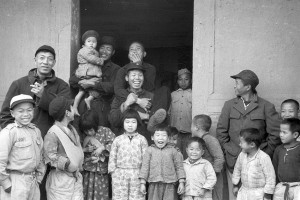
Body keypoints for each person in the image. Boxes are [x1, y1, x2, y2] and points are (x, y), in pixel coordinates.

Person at [216, 69, 281, 200]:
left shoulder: (266, 106)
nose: (235, 86)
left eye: (237, 83)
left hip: (257, 165)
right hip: (233, 160)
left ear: (248, 87)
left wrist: (262, 154)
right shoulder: (229, 105)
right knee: (234, 195)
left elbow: (275, 135)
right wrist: (230, 151)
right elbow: (221, 132)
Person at [0, 45, 70, 137]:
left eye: (50, 59)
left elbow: (64, 113)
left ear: (54, 62)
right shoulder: (18, 84)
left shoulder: (62, 86)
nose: (45, 62)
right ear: (35, 60)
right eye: (42, 58)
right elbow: (5, 115)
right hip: (22, 142)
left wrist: (43, 96)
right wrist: (16, 136)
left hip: (51, 140)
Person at [0, 94, 46, 200]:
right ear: (12, 113)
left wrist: (39, 178)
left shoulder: (36, 131)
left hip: (33, 181)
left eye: (29, 110)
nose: (26, 114)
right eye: (20, 111)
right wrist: (6, 183)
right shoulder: (9, 133)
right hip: (15, 181)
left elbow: (42, 157)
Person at [109, 63, 168, 143]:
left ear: (143, 78)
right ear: (127, 78)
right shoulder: (119, 97)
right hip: (124, 143)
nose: (137, 78)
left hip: (145, 142)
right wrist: (126, 104)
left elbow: (161, 120)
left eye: (140, 75)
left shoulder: (151, 96)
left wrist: (146, 116)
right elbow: (113, 121)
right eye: (133, 75)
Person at [69, 36, 120, 127]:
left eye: (108, 49)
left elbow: (113, 87)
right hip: (83, 108)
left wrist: (93, 84)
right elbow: (72, 80)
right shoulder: (86, 64)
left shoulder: (116, 69)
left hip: (102, 109)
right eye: (102, 48)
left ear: (113, 52)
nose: (104, 51)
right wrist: (84, 82)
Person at [44, 96, 84, 200]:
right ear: (67, 112)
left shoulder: (71, 129)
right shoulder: (52, 133)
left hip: (75, 178)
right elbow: (49, 156)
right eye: (71, 107)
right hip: (61, 181)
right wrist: (67, 164)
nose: (73, 109)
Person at [108, 109, 148, 200]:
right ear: (123, 123)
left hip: (137, 175)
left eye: (133, 122)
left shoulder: (142, 140)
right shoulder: (118, 139)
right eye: (127, 122)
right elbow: (112, 158)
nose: (130, 125)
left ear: (138, 123)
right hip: (120, 175)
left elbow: (146, 161)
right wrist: (114, 174)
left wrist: (143, 179)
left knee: (137, 198)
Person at [139, 124, 186, 200]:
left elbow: (179, 167)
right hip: (153, 183)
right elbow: (145, 167)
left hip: (170, 184)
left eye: (164, 135)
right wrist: (142, 183)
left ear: (168, 138)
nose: (160, 138)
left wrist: (181, 182)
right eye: (157, 135)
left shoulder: (173, 151)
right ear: (152, 137)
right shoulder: (149, 150)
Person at [79, 110, 115, 200]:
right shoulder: (82, 136)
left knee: (101, 193)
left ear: (95, 124)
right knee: (86, 193)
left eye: (91, 130)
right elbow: (76, 150)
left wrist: (102, 148)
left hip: (101, 170)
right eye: (86, 131)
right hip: (88, 170)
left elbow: (115, 144)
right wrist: (85, 150)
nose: (89, 133)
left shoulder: (105, 131)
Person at [232, 128, 276, 200]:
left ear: (252, 144)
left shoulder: (264, 158)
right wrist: (235, 185)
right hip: (244, 192)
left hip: (258, 194)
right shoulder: (241, 155)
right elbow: (237, 169)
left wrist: (267, 195)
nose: (239, 144)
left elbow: (270, 177)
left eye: (241, 142)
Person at [191, 114, 225, 200]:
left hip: (213, 177)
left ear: (196, 127)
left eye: (191, 125)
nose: (190, 128)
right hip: (204, 177)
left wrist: (213, 174)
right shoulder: (200, 140)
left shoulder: (209, 139)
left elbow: (219, 158)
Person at [73, 30, 104, 115]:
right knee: (95, 86)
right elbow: (91, 58)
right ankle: (76, 106)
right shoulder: (84, 50)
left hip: (89, 74)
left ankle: (86, 100)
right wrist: (100, 61)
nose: (91, 43)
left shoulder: (93, 51)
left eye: (94, 42)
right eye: (89, 41)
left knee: (83, 91)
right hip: (88, 74)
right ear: (84, 44)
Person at [272, 118, 300, 200]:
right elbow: (274, 169)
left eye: (284, 132)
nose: (281, 134)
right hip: (281, 188)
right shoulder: (278, 150)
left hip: (298, 188)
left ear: (295, 135)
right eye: (280, 131)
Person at [169, 68, 192, 158]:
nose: (183, 82)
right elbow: (169, 112)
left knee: (188, 156)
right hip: (175, 133)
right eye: (180, 79)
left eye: (186, 79)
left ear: (190, 81)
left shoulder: (194, 94)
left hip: (189, 132)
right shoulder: (172, 94)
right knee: (175, 156)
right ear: (177, 81)